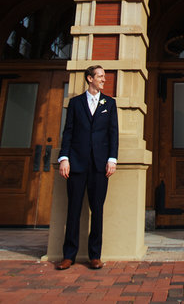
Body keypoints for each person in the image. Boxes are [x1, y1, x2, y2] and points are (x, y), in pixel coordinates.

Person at [55, 65, 118, 270]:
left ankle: (95, 255)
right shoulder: (75, 103)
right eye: (100, 76)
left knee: (97, 210)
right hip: (76, 165)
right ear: (89, 78)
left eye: (104, 76)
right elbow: (68, 132)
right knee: (73, 209)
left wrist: (112, 159)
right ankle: (69, 255)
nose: (104, 80)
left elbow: (113, 134)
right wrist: (64, 158)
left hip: (100, 166)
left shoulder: (110, 103)